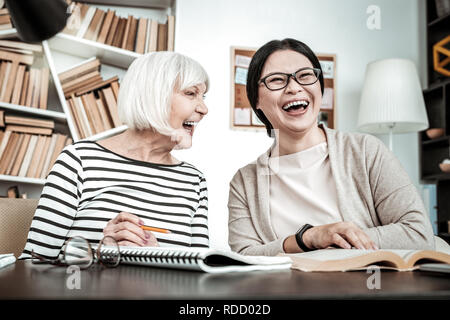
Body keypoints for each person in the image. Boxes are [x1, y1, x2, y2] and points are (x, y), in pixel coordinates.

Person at [228, 38, 435, 256]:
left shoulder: (366, 151)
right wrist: (307, 239)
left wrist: (336, 240)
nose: (294, 87)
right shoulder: (244, 182)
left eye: (306, 75)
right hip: (284, 290)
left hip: (364, 288)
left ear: (320, 87)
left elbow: (418, 233)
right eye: (277, 80)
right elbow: (244, 255)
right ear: (256, 101)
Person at [21, 51, 210, 260]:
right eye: (191, 93)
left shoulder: (194, 181)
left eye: (203, 96)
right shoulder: (79, 161)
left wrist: (158, 256)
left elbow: (201, 272)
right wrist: (99, 254)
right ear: (153, 95)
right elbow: (33, 262)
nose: (204, 109)